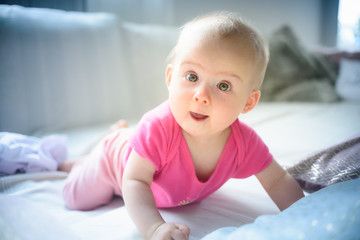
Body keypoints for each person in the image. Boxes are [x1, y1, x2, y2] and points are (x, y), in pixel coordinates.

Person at [61, 12, 304, 240]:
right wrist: (154, 227)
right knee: (77, 199)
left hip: (139, 152)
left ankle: (118, 135)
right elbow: (134, 181)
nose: (201, 95)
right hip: (114, 163)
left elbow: (277, 180)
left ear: (248, 102)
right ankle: (84, 158)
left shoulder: (244, 143)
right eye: (192, 77)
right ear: (170, 78)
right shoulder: (158, 128)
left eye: (223, 86)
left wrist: (303, 216)